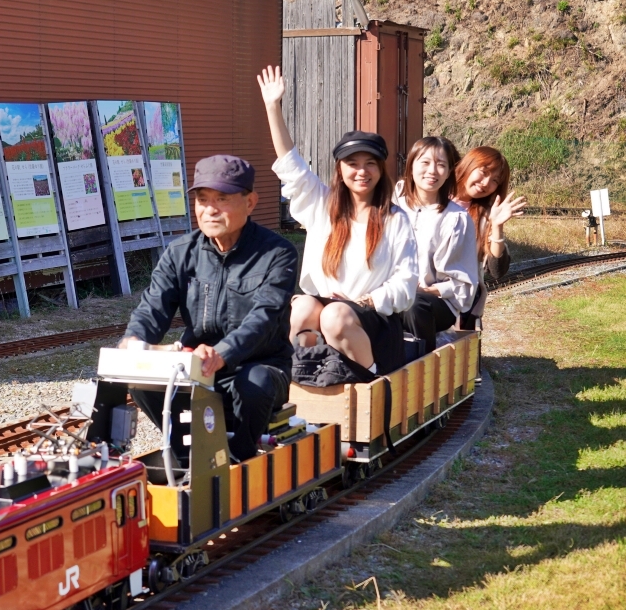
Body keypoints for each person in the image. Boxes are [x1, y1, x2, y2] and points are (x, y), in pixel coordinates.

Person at [120, 154, 297, 463]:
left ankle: (240, 458)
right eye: (202, 200)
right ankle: (186, 455)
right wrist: (134, 339)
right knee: (141, 382)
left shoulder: (278, 253)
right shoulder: (179, 253)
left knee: (254, 383)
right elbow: (153, 308)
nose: (210, 209)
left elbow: (264, 319)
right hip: (197, 367)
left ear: (250, 202)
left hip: (260, 365)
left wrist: (222, 353)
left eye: (222, 199)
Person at [258, 65, 417, 378]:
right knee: (301, 308)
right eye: (352, 163)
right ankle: (303, 375)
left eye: (370, 163)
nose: (361, 171)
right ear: (340, 170)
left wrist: (367, 300)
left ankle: (371, 381)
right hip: (326, 307)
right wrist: (272, 107)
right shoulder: (323, 204)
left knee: (334, 317)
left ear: (380, 169)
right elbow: (291, 166)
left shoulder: (395, 219)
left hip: (370, 319)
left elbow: (406, 282)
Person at [394, 137, 479, 353]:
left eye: (441, 165)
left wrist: (430, 290)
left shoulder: (456, 218)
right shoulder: (393, 204)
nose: (432, 171)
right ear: (411, 165)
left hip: (434, 300)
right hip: (390, 291)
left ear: (449, 171)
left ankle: (422, 365)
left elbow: (464, 283)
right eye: (425, 162)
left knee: (413, 304)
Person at [452, 146, 527, 328]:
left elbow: (497, 270)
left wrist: (497, 226)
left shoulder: (485, 215)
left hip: (463, 302)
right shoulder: (433, 198)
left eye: (495, 180)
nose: (486, 183)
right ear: (468, 164)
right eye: (483, 172)